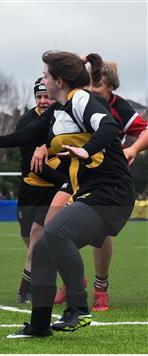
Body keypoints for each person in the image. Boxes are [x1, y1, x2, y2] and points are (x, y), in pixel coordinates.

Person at [0, 51, 135, 338]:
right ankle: (39, 326)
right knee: (41, 249)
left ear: (59, 81)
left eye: (46, 75)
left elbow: (109, 126)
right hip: (92, 192)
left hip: (111, 193)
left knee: (54, 235)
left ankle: (78, 308)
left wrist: (87, 150)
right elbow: (30, 134)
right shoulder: (58, 110)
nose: (43, 79)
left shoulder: (81, 99)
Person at [31, 60, 147, 311]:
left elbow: (143, 129)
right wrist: (43, 146)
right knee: (50, 228)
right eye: (89, 85)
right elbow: (51, 130)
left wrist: (134, 148)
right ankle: (72, 282)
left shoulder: (116, 107)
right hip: (75, 177)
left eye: (97, 87)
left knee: (97, 235)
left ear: (110, 89)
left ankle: (99, 288)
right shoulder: (76, 101)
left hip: (104, 183)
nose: (91, 91)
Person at [13, 78, 66, 304]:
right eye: (39, 97)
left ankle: (27, 289)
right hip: (30, 188)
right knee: (29, 237)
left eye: (47, 96)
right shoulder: (26, 122)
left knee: (37, 237)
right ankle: (74, 278)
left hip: (54, 191)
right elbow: (32, 164)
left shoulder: (64, 118)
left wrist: (66, 183)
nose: (44, 101)